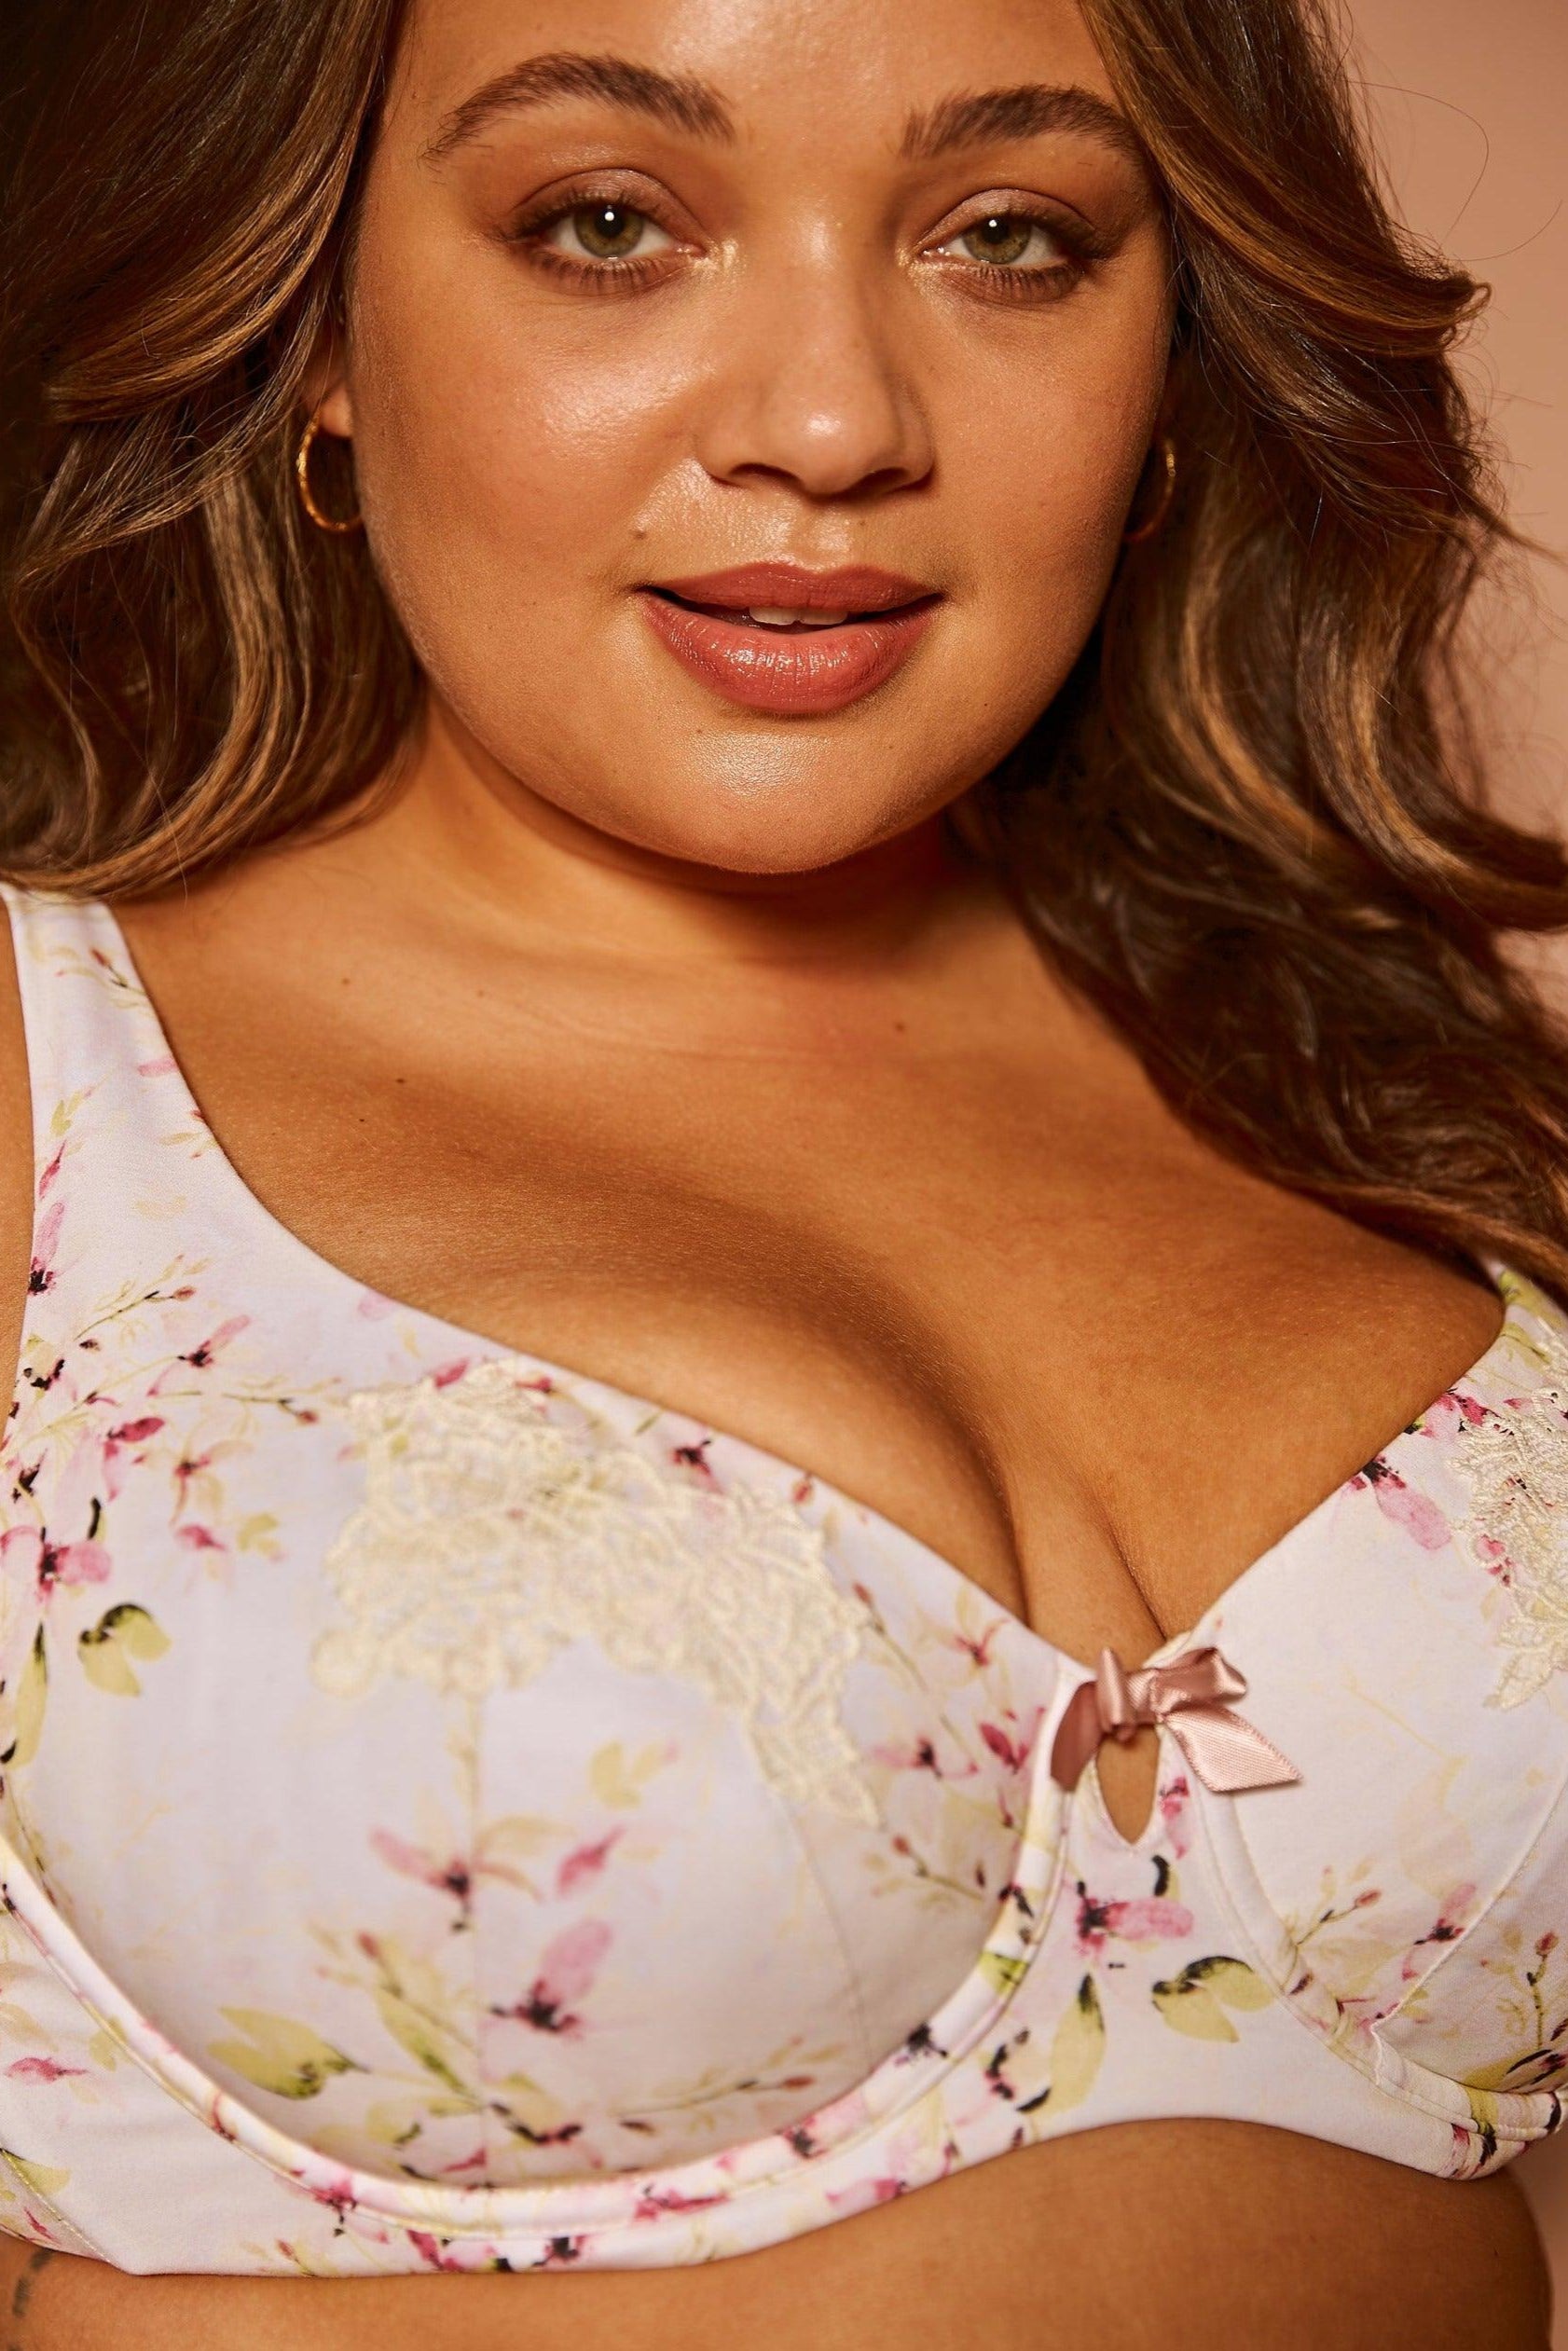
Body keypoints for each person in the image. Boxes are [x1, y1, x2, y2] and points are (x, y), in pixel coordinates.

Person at [0, 0, 1562, 2341]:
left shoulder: (1400, 1096)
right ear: (316, 326)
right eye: (607, 224)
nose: (829, 425)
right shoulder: (58, 1079)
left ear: (1172, 364)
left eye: (1009, 237)